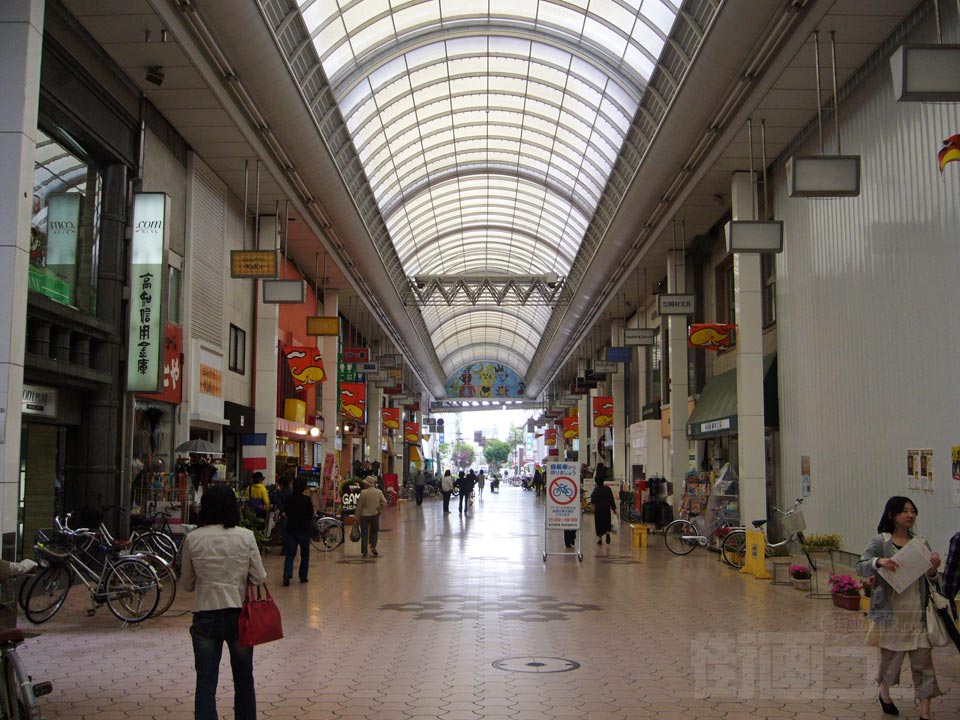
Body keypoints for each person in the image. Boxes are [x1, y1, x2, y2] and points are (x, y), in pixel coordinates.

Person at [181, 483, 267, 720]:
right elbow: (259, 577)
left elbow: (187, 584)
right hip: (239, 616)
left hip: (205, 616)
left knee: (206, 682)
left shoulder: (193, 539)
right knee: (244, 679)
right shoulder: (245, 536)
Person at [856, 496, 941, 720]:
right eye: (905, 511)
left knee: (924, 664)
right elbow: (861, 567)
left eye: (913, 511)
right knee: (890, 662)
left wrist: (933, 569)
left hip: (918, 614)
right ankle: (884, 695)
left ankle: (925, 713)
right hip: (892, 615)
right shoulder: (880, 542)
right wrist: (878, 562)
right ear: (892, 515)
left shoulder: (920, 542)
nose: (910, 515)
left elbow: (930, 578)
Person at [282, 477, 314, 586]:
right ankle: (303, 576)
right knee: (304, 555)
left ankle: (287, 573)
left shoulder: (290, 499)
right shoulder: (307, 500)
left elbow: (287, 512)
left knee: (290, 554)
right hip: (304, 529)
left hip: (291, 528)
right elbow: (310, 513)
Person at [355, 475, 387, 558]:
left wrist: (356, 517)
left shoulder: (363, 492)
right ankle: (373, 546)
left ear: (367, 484)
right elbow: (385, 502)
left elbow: (359, 506)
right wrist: (379, 508)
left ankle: (364, 551)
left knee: (364, 533)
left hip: (364, 516)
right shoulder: (379, 492)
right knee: (374, 531)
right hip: (374, 515)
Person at [590, 477, 616, 545]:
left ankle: (600, 539)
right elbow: (611, 499)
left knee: (599, 524)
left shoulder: (596, 490)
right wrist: (614, 508)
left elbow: (593, 500)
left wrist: (593, 508)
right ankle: (607, 533)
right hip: (606, 509)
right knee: (607, 522)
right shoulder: (608, 489)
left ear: (596, 482)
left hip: (598, 511)